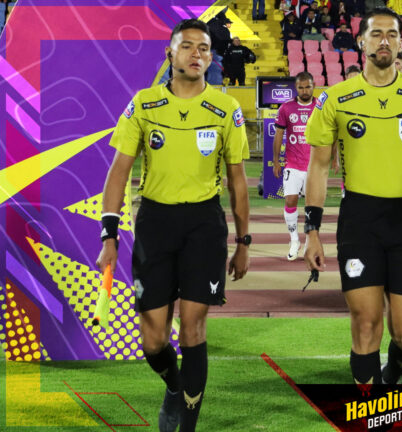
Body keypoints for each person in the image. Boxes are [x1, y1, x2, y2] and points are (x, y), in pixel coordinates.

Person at [96, 19, 250, 432]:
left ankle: (186, 427)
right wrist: (109, 235)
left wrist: (244, 241)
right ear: (170, 53)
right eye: (187, 46)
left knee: (194, 329)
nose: (197, 54)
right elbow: (119, 171)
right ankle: (174, 385)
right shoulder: (144, 104)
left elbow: (237, 180)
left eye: (204, 48)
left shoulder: (226, 109)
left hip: (204, 225)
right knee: (153, 342)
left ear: (211, 58)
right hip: (155, 224)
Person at [303, 7, 402, 386]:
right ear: (361, 42)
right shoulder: (335, 99)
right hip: (359, 220)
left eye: (392, 34)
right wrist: (312, 231)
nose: (384, 40)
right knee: (366, 323)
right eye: (376, 34)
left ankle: (394, 371)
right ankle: (371, 408)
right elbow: (319, 168)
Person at [272, 72, 317, 260]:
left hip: (314, 166)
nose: (304, 91)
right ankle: (294, 241)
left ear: (314, 86)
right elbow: (278, 135)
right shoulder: (286, 108)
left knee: (312, 206)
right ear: (295, 88)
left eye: (308, 87)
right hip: (293, 164)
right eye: (301, 87)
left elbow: (331, 133)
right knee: (290, 201)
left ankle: (309, 242)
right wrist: (276, 161)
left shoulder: (320, 107)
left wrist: (334, 158)